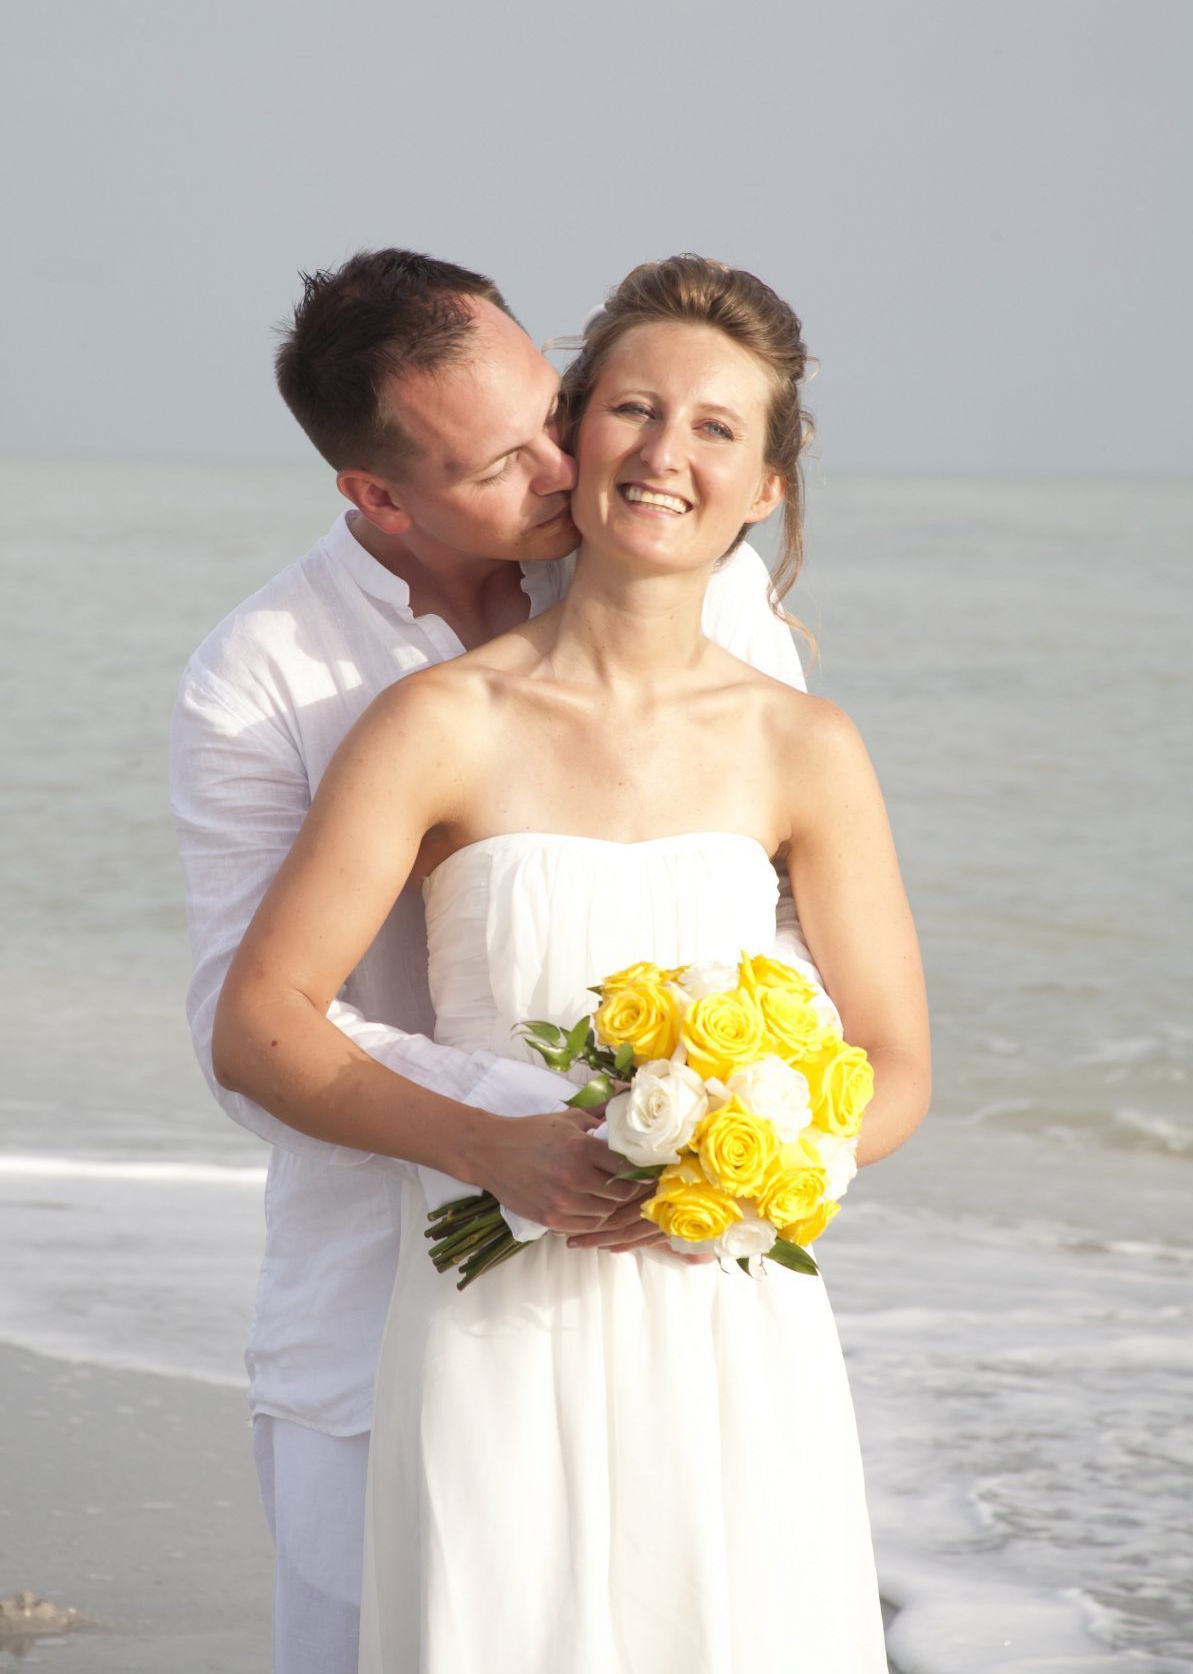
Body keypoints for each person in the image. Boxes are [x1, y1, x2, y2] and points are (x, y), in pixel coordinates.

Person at [213, 254, 931, 1672]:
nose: (667, 454)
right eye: (634, 411)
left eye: (719, 429)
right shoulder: (431, 722)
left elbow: (895, 1062)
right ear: (579, 431)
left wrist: (764, 1159)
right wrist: (497, 1148)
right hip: (495, 1321)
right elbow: (257, 1024)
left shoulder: (807, 741)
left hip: (734, 1318)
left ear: (768, 484)